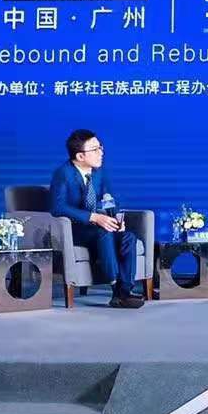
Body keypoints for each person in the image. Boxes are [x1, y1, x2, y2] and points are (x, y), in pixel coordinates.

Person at [48, 129, 143, 309]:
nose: (101, 152)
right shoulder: (63, 173)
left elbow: (108, 199)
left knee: (128, 237)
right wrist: (93, 217)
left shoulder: (99, 172)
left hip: (97, 228)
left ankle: (126, 290)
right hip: (74, 230)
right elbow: (57, 207)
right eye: (95, 149)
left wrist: (117, 219)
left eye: (101, 147)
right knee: (103, 232)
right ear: (80, 156)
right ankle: (117, 291)